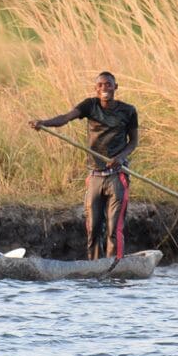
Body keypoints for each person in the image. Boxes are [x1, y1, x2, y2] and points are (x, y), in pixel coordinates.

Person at [29, 72, 138, 260]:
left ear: (115, 87)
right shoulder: (90, 105)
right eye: (101, 85)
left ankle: (115, 266)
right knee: (93, 227)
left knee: (114, 228)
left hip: (117, 176)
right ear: (96, 89)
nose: (105, 89)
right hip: (95, 175)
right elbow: (65, 118)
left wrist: (120, 157)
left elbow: (133, 142)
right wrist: (43, 123)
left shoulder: (128, 111)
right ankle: (95, 267)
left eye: (109, 85)